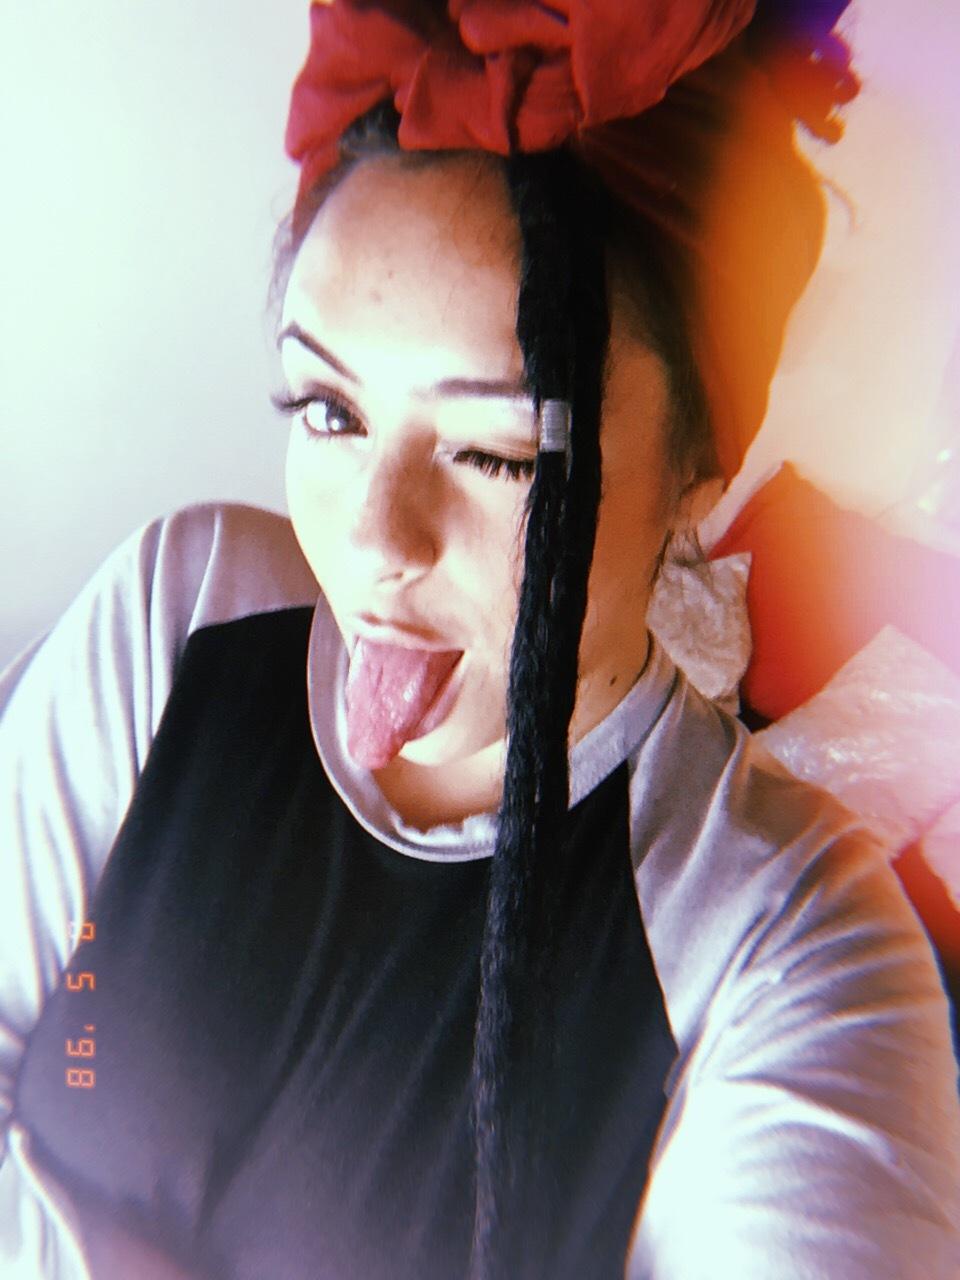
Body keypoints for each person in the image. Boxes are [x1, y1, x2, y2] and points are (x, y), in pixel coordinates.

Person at [2, 2, 960, 1278]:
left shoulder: (788, 945)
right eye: (329, 409)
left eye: (496, 451)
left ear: (696, 470)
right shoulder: (180, 613)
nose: (374, 540)